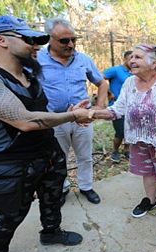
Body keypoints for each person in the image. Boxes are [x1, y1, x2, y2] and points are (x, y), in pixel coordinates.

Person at [0, 15, 91, 252]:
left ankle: (51, 232)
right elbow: (25, 121)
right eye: (29, 39)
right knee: (10, 216)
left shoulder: (28, 75)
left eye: (39, 39)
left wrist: (68, 111)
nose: (37, 45)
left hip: (48, 152)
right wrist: (73, 117)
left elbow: (41, 112)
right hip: (11, 162)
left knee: (52, 199)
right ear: (0, 40)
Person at [92, 45, 156, 226]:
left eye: (138, 57)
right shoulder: (129, 82)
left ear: (154, 62)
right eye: (132, 57)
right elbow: (118, 109)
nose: (132, 60)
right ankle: (150, 200)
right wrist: (93, 113)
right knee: (148, 172)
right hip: (139, 139)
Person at [37, 17, 109, 205]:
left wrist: (99, 107)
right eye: (64, 41)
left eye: (74, 39)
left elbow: (102, 82)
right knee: (58, 159)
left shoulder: (83, 59)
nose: (70, 44)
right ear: (49, 39)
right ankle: (63, 188)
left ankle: (86, 187)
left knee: (85, 156)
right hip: (55, 120)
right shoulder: (37, 59)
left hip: (82, 119)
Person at [103, 50, 132, 162]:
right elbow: (99, 78)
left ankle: (127, 150)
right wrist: (109, 93)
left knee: (130, 130)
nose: (133, 61)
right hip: (117, 107)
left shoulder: (134, 72)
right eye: (130, 58)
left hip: (131, 107)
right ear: (125, 59)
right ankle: (115, 151)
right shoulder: (115, 70)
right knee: (120, 131)